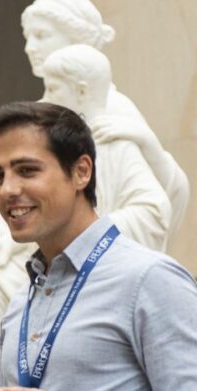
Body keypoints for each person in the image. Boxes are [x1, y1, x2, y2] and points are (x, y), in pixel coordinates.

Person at [0, 101, 197, 391]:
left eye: (26, 170)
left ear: (82, 172)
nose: (7, 190)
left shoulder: (149, 278)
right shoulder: (19, 304)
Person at [21, 0, 189, 233]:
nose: (29, 47)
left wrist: (148, 144)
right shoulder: (37, 114)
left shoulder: (111, 110)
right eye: (27, 36)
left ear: (78, 38)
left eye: (41, 35)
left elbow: (165, 197)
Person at [41, 44, 171, 251]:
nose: (45, 98)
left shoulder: (113, 144)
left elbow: (154, 211)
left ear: (81, 91)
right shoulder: (57, 145)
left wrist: (84, 231)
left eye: (52, 89)